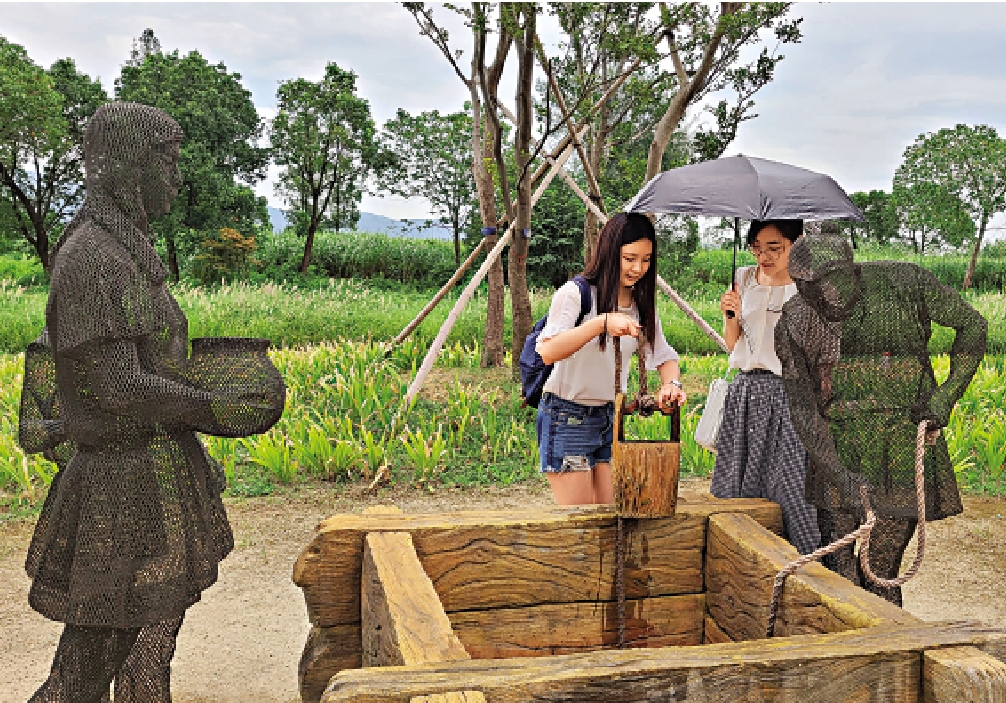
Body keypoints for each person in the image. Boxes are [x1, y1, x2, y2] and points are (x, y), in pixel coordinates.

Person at [20, 102, 285, 703]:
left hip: (154, 478)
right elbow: (117, 390)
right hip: (119, 488)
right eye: (166, 162)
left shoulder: (130, 252)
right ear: (128, 166)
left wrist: (195, 394)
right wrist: (209, 405)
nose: (175, 176)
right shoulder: (92, 256)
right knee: (82, 675)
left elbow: (143, 366)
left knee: (147, 658)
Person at [775, 234, 986, 605]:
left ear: (850, 272)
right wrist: (837, 472)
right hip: (836, 446)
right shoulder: (794, 321)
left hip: (901, 443)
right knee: (838, 566)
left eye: (828, 284)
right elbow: (804, 410)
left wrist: (945, 396)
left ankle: (888, 649)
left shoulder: (906, 282)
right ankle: (842, 648)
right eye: (808, 288)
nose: (822, 297)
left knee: (882, 568)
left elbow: (974, 326)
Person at [536, 212, 686, 506]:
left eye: (646, 260)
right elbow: (548, 350)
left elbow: (665, 357)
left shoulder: (641, 305)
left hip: (609, 418)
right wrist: (601, 323)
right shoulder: (576, 295)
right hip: (567, 417)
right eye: (629, 258)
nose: (638, 268)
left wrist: (672, 384)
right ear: (609, 252)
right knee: (582, 528)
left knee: (613, 517)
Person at [710, 220, 821, 556]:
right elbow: (734, 345)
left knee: (790, 487)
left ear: (797, 242)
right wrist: (731, 315)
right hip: (745, 393)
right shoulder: (743, 278)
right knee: (736, 484)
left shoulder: (811, 287)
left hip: (790, 395)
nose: (764, 256)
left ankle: (804, 566)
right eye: (757, 247)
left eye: (775, 248)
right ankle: (735, 561)